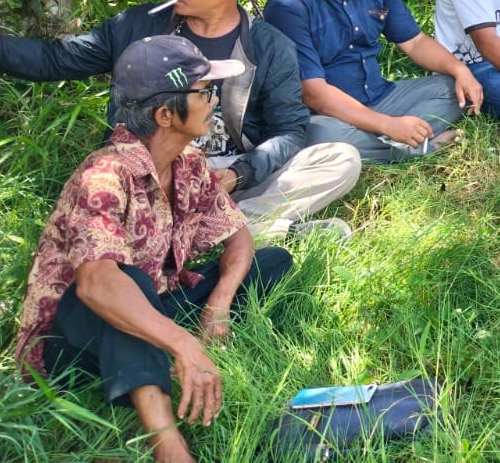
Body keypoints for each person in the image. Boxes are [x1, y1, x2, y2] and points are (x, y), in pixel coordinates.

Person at [0, 0, 360, 238]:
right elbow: (53, 59)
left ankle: (225, 228)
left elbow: (288, 130)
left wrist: (238, 174)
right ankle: (244, 232)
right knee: (116, 193)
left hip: (228, 175)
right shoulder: (138, 27)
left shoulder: (269, 46)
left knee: (341, 158)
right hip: (154, 174)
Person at [15, 36, 294, 463]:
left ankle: (174, 349)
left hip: (153, 306)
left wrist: (218, 304)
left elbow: (238, 236)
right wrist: (183, 343)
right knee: (126, 284)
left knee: (272, 262)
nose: (214, 101)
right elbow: (96, 286)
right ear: (165, 114)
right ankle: (169, 446)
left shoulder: (189, 163)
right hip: (74, 339)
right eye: (204, 92)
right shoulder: (105, 174)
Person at [264, 0, 483, 163]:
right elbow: (314, 93)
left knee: (452, 88)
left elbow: (414, 42)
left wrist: (460, 70)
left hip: (382, 98)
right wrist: (389, 125)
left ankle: (389, 142)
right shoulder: (290, 6)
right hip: (329, 116)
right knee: (324, 138)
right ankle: (415, 147)